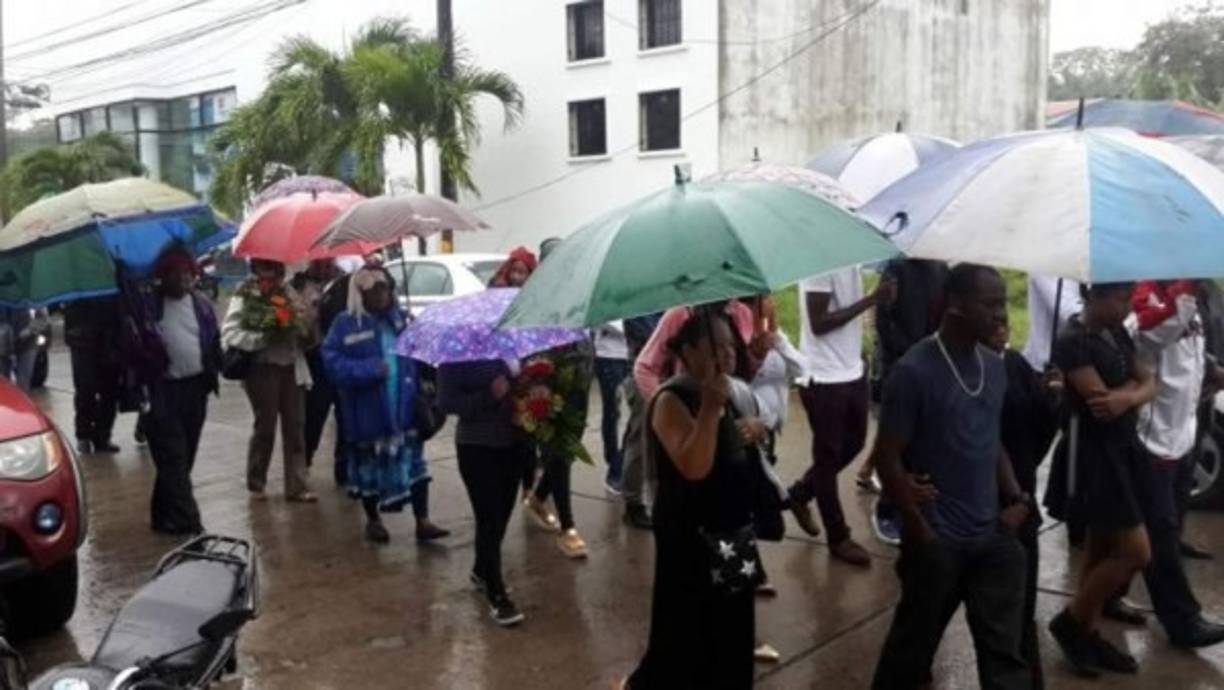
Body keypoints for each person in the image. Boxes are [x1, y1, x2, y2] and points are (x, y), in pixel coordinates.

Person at [870, 264, 1032, 690]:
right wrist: (920, 531)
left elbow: (990, 439)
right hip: (938, 542)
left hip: (991, 536)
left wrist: (1015, 499)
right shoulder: (913, 372)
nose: (1001, 314)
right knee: (909, 656)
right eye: (990, 303)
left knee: (1006, 659)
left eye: (1003, 302)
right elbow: (887, 457)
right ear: (955, 305)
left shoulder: (994, 367)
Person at [621, 311, 761, 690]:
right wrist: (711, 410)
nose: (728, 354)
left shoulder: (730, 390)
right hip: (691, 535)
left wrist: (755, 429)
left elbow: (738, 455)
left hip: (732, 528)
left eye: (731, 345)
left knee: (733, 624)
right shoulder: (671, 398)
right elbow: (694, 466)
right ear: (687, 350)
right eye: (716, 346)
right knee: (690, 627)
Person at [1044, 282, 1156, 677]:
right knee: (1136, 552)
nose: (1127, 306)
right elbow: (1100, 406)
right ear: (1095, 296)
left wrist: (1127, 395)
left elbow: (1147, 382)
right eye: (1121, 298)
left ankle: (1087, 630)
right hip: (1094, 457)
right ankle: (1071, 624)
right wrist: (1132, 392)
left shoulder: (1116, 331)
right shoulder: (1073, 340)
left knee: (1101, 544)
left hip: (1122, 451)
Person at [1128, 280, 1224, 648]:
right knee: (1161, 534)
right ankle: (1183, 622)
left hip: (1182, 430)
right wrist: (1183, 292)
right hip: (1154, 436)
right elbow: (1150, 336)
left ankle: (1102, 599)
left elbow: (1193, 353)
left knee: (1138, 531)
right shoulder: (1146, 294)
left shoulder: (1192, 297)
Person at [323, 267, 450, 544]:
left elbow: (422, 358)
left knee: (416, 465)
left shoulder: (402, 322)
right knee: (368, 467)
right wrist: (367, 369)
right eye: (375, 290)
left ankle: (423, 521)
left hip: (404, 410)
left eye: (386, 288)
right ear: (361, 294)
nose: (382, 295)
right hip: (368, 414)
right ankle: (373, 520)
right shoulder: (344, 325)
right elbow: (331, 363)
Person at [787, 267, 895, 567]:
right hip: (823, 375)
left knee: (855, 443)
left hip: (850, 369)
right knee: (827, 457)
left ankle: (800, 492)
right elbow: (818, 322)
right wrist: (871, 300)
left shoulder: (850, 259)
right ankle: (838, 537)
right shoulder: (819, 264)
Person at [989, 319, 1062, 689]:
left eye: (1006, 318)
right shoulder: (959, 370)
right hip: (978, 509)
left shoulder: (1015, 364)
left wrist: (1050, 398)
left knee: (1020, 609)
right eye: (993, 317)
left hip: (1021, 502)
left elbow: (1039, 432)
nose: (1003, 329)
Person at [438, 357, 530, 627]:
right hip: (477, 445)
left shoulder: (511, 346)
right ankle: (497, 593)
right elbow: (447, 402)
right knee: (488, 518)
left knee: (503, 513)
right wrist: (489, 394)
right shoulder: (456, 354)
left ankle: (481, 570)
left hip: (514, 441)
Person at [222, 259, 317, 503]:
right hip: (262, 369)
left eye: (275, 270)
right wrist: (261, 337)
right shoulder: (245, 294)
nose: (271, 276)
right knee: (265, 427)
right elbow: (231, 333)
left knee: (295, 427)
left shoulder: (288, 292)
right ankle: (256, 482)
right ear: (256, 269)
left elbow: (305, 327)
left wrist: (301, 322)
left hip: (291, 366)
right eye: (266, 270)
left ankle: (297, 485)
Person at [141, 249, 222, 536]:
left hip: (195, 389)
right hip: (163, 393)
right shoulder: (149, 307)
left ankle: (162, 516)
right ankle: (191, 525)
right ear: (163, 278)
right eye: (177, 276)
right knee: (173, 458)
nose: (184, 281)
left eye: (188, 275)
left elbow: (213, 341)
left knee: (184, 458)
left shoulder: (201, 305)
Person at [870, 259, 947, 545]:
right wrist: (912, 356)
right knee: (896, 445)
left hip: (935, 367)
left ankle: (918, 503)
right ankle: (887, 509)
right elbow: (883, 321)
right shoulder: (897, 268)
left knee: (924, 445)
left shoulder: (941, 269)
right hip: (901, 368)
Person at [523, 340, 595, 559]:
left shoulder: (583, 334)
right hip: (547, 402)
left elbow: (586, 367)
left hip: (577, 402)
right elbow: (528, 366)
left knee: (563, 457)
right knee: (558, 458)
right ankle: (568, 527)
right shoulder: (540, 335)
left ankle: (538, 498)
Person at [293, 259, 342, 468]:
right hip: (314, 356)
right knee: (313, 414)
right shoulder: (298, 286)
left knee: (346, 416)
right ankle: (304, 461)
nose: (325, 267)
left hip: (341, 356)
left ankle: (344, 467)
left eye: (328, 263)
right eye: (320, 263)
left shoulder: (345, 283)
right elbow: (293, 322)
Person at [620, 312, 664, 529]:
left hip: (661, 376)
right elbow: (654, 338)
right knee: (640, 441)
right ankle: (633, 503)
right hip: (642, 378)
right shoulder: (638, 307)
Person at [65, 296, 123, 454]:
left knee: (110, 392)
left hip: (110, 338)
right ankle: (83, 434)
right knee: (86, 389)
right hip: (83, 339)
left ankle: (102, 436)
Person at [593, 321, 631, 494]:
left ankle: (619, 462)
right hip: (608, 356)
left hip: (632, 353)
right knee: (612, 413)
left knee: (636, 415)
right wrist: (634, 326)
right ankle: (614, 466)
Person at [0, 307, 37, 391]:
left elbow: (40, 319)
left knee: (22, 385)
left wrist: (30, 329)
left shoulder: (31, 295)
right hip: (2, 344)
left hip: (27, 342)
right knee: (3, 385)